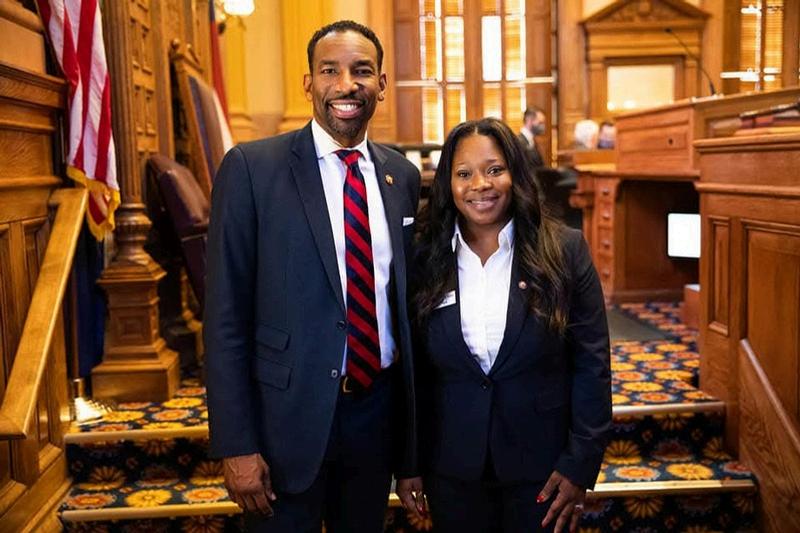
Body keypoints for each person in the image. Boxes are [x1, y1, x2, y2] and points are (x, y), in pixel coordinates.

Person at [204, 20, 421, 532]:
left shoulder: (402, 177)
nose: (346, 85)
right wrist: (236, 444)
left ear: (381, 85)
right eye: (330, 71)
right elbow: (225, 319)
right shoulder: (252, 169)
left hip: (375, 417)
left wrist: (411, 448)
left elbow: (403, 310)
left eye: (361, 71)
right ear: (308, 83)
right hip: (285, 423)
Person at [397, 118, 611, 533]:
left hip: (544, 469)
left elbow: (592, 363)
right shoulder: (424, 258)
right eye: (464, 174)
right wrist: (409, 462)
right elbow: (413, 372)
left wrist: (580, 464)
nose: (480, 184)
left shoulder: (564, 250)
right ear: (448, 184)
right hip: (451, 466)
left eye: (494, 169)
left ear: (516, 174)